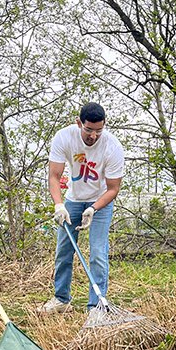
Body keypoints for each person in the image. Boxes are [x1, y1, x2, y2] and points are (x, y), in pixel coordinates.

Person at [40, 102, 125, 314]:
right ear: (79, 123)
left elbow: (113, 189)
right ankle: (61, 299)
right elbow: (54, 176)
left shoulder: (112, 147)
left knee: (97, 253)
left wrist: (94, 209)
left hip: (100, 202)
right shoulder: (64, 137)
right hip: (73, 200)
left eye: (99, 130)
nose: (93, 136)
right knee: (64, 251)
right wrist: (59, 204)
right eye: (89, 130)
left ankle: (96, 306)